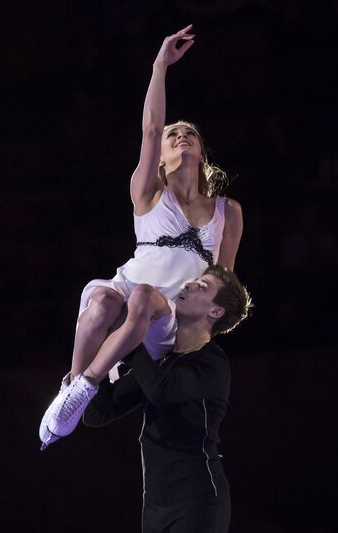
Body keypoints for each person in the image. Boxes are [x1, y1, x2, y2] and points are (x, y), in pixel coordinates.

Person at [39, 25, 243, 448]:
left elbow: (223, 286)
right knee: (99, 306)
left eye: (190, 133)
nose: (180, 135)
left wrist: (196, 343)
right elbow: (150, 128)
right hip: (131, 288)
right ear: (162, 158)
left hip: (169, 313)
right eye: (174, 134)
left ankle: (93, 377)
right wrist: (159, 66)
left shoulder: (228, 211)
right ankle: (75, 389)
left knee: (145, 297)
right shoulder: (148, 192)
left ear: (201, 152)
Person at [83, 264, 252, 533]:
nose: (187, 285)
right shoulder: (161, 361)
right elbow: (96, 414)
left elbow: (162, 390)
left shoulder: (211, 363)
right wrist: (94, 358)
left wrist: (128, 335)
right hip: (154, 507)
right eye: (193, 281)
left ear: (215, 312)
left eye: (201, 287)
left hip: (197, 501)